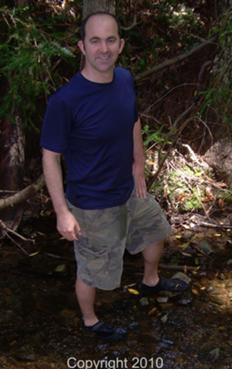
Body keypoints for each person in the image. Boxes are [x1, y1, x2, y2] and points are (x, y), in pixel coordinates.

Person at [41, 11, 188, 341]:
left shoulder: (124, 79)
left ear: (120, 45)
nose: (103, 48)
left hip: (128, 188)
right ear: (82, 46)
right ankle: (91, 322)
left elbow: (132, 119)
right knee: (93, 270)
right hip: (92, 204)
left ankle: (150, 282)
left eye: (110, 40)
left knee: (156, 231)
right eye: (95, 41)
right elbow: (50, 157)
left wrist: (139, 163)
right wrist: (62, 212)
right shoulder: (65, 101)